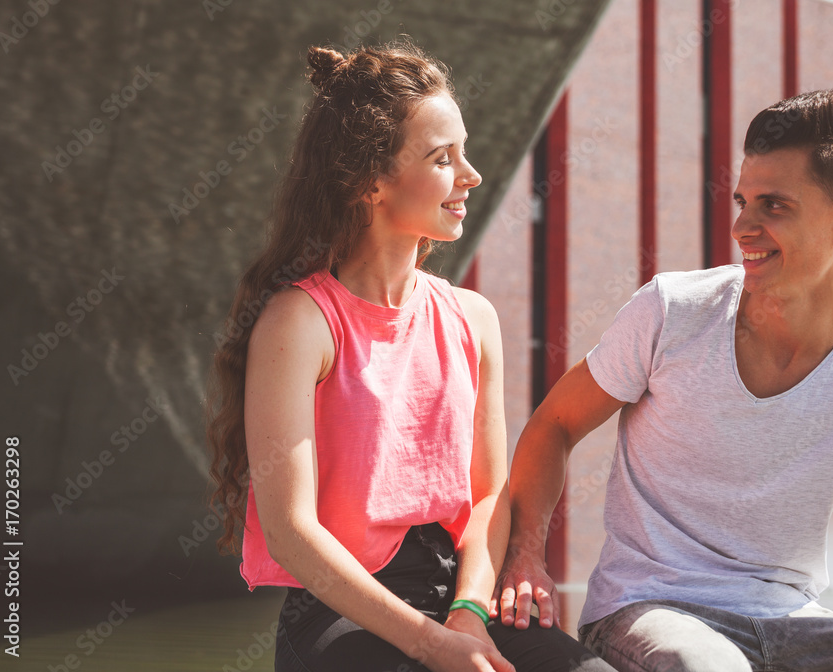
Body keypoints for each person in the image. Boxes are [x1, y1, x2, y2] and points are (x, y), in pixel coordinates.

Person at [492, 90, 833, 671]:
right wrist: (526, 553)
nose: (741, 226)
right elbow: (555, 423)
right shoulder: (671, 311)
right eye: (741, 200)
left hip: (793, 624)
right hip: (651, 609)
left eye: (773, 206)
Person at [205, 41, 615, 672]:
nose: (471, 174)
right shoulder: (300, 323)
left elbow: (487, 497)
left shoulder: (474, 318)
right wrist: (430, 645)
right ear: (371, 182)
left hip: (457, 600)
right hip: (339, 617)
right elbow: (289, 530)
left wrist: (468, 616)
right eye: (442, 158)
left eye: (464, 152)